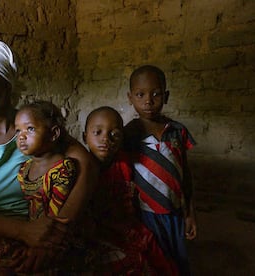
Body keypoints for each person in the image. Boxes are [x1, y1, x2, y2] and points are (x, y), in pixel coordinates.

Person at [0, 39, 97, 275]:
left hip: (52, 221)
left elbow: (85, 163)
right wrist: (25, 231)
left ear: (6, 82)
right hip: (3, 227)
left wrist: (57, 230)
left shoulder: (35, 123)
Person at [83, 106, 178, 275]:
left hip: (127, 225)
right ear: (85, 137)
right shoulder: (82, 167)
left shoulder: (125, 163)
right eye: (97, 132)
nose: (106, 139)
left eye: (115, 134)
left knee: (159, 258)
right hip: (95, 229)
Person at [124, 65, 197, 276]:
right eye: (140, 94)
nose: (148, 100)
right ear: (130, 98)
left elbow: (186, 173)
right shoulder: (129, 134)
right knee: (154, 261)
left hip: (174, 212)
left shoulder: (177, 131)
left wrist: (190, 213)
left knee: (179, 259)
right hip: (145, 214)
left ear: (166, 96)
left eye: (156, 94)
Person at [15, 100, 77, 221]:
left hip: (54, 231)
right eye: (18, 131)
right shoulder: (25, 168)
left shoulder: (62, 170)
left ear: (53, 133)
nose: (21, 136)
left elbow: (57, 214)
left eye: (30, 129)